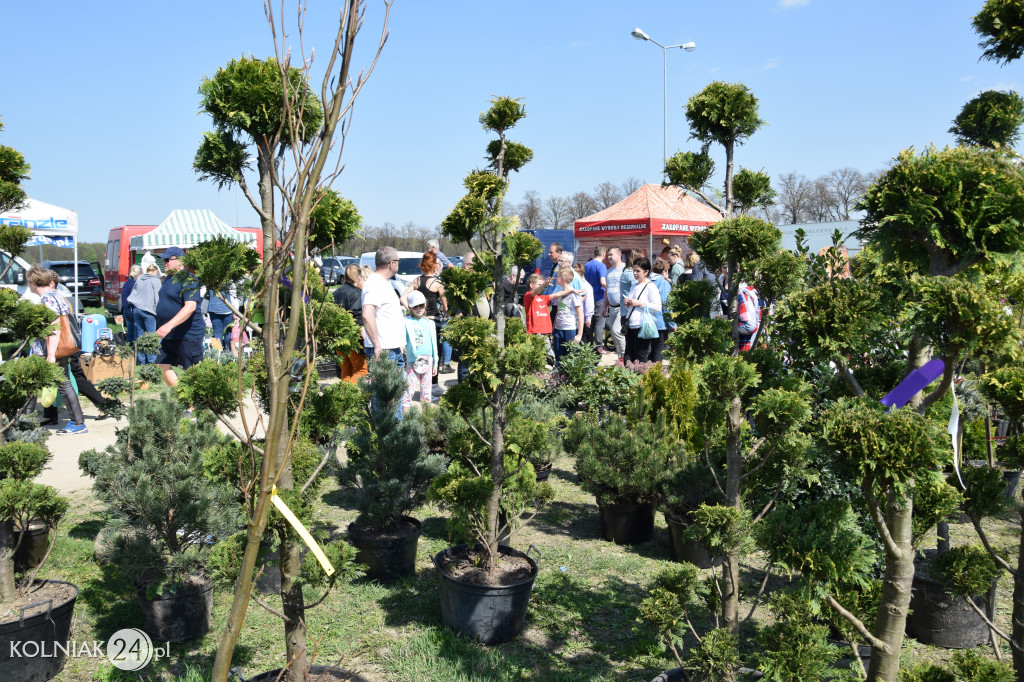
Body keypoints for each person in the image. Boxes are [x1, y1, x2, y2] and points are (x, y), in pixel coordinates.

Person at [31, 269, 114, 431]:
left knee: (69, 379)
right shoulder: (61, 297)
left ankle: (93, 412)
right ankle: (55, 416)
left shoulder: (50, 299)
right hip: (65, 345)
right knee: (60, 381)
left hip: (59, 346)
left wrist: (50, 354)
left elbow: (55, 326)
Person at [155, 247, 206, 388]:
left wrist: (168, 325)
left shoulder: (189, 279)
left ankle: (198, 404)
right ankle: (184, 397)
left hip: (188, 334)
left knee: (192, 371)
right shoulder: (168, 279)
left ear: (180, 261)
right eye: (163, 260)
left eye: (167, 260)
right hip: (169, 335)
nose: (164, 263)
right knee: (161, 365)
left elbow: (190, 307)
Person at [400, 252, 452, 374]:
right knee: (434, 352)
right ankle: (433, 382)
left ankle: (417, 374)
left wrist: (412, 311)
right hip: (433, 320)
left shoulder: (416, 281)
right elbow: (446, 307)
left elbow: (402, 298)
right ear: (434, 265)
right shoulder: (437, 284)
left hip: (418, 320)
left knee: (419, 351)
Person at [361, 246, 406, 368]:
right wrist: (377, 345)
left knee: (398, 387)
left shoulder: (383, 282)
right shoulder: (374, 283)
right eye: (398, 261)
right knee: (385, 387)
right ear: (392, 263)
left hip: (392, 348)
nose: (398, 264)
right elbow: (367, 314)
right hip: (384, 350)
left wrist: (398, 343)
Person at [402, 289, 438, 412]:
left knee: (427, 392)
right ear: (410, 308)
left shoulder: (430, 323)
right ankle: (405, 420)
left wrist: (436, 362)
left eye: (421, 305)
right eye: (415, 306)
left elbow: (434, 344)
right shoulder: (406, 322)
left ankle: (426, 420)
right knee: (409, 390)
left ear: (425, 304)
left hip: (428, 360)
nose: (419, 308)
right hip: (413, 360)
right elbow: (402, 339)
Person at [622, 256, 662, 364]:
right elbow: (633, 306)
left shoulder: (650, 286)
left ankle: (641, 379)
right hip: (630, 324)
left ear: (646, 272)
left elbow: (657, 307)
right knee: (629, 355)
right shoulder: (633, 285)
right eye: (634, 270)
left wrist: (640, 304)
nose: (635, 273)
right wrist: (628, 304)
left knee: (641, 356)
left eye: (638, 271)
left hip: (643, 325)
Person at [334, 264, 368, 383]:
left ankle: (343, 398)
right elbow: (358, 318)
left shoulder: (337, 292)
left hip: (339, 339)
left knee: (346, 371)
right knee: (361, 370)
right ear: (359, 277)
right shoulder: (357, 293)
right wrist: (364, 338)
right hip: (353, 340)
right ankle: (348, 396)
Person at [128, 264, 162, 364]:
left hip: (137, 309)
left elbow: (133, 293)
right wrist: (159, 311)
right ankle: (152, 360)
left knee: (140, 336)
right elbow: (158, 296)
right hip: (149, 311)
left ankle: (141, 360)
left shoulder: (140, 279)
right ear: (155, 271)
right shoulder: (155, 280)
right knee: (151, 337)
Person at [551, 266, 583, 369]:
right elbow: (557, 312)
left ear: (563, 278)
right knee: (558, 356)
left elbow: (580, 314)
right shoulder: (559, 294)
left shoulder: (574, 295)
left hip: (569, 328)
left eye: (558, 276)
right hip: (558, 329)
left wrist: (579, 334)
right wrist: (553, 329)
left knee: (570, 356)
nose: (556, 278)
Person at [602, 247, 626, 362]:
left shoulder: (625, 269)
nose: (609, 257)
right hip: (612, 307)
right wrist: (604, 306)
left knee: (617, 331)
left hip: (622, 307)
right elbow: (607, 290)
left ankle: (625, 357)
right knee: (613, 333)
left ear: (619, 255)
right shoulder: (609, 271)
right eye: (608, 255)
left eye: (611, 255)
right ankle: (620, 356)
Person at [583, 246, 608, 350]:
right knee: (599, 323)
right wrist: (610, 289)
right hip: (599, 297)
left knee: (590, 322)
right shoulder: (601, 266)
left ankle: (588, 344)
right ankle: (599, 346)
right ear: (603, 254)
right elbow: (603, 281)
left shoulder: (587, 265)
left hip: (589, 297)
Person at [651, 258, 673, 362]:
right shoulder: (663, 283)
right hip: (661, 322)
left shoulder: (647, 281)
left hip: (647, 321)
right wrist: (672, 324)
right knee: (659, 349)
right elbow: (666, 304)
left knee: (650, 350)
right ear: (664, 271)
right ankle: (656, 374)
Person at [205, 284, 237, 350]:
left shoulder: (210, 280)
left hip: (213, 309)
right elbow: (234, 295)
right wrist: (235, 311)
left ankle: (218, 353)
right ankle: (228, 351)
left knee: (217, 332)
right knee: (228, 332)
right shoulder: (228, 281)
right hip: (228, 309)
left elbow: (203, 294)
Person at [574, 264, 595, 345]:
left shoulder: (586, 286)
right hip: (576, 317)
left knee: (585, 340)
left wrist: (588, 318)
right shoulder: (576, 284)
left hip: (584, 318)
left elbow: (589, 304)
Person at [737, 282, 762, 351]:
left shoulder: (744, 293)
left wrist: (728, 324)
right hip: (767, 350)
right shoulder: (771, 294)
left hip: (747, 351)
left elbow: (749, 326)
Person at [121, 265, 142, 344]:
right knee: (137, 333)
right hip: (133, 309)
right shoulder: (136, 283)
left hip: (125, 309)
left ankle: (129, 351)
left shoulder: (126, 283)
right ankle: (136, 352)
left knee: (130, 333)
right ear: (139, 274)